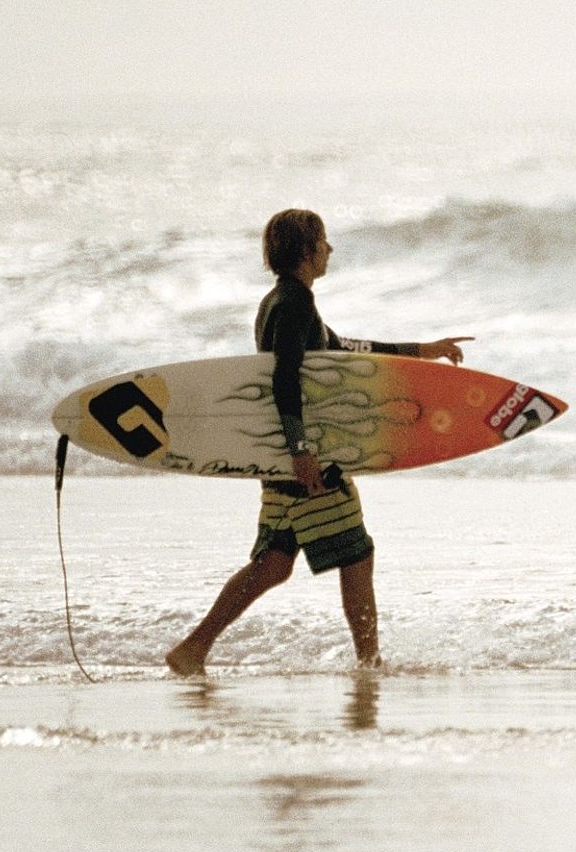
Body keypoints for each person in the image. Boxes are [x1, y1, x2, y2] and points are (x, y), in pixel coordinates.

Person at [166, 208, 472, 675]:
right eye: (324, 241)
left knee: (273, 564)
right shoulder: (293, 305)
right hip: (302, 457)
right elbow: (285, 380)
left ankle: (193, 648)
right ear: (308, 252)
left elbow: (342, 349)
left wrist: (419, 351)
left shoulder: (283, 301)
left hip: (279, 455)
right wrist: (302, 450)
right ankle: (369, 662)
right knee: (357, 554)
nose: (330, 249)